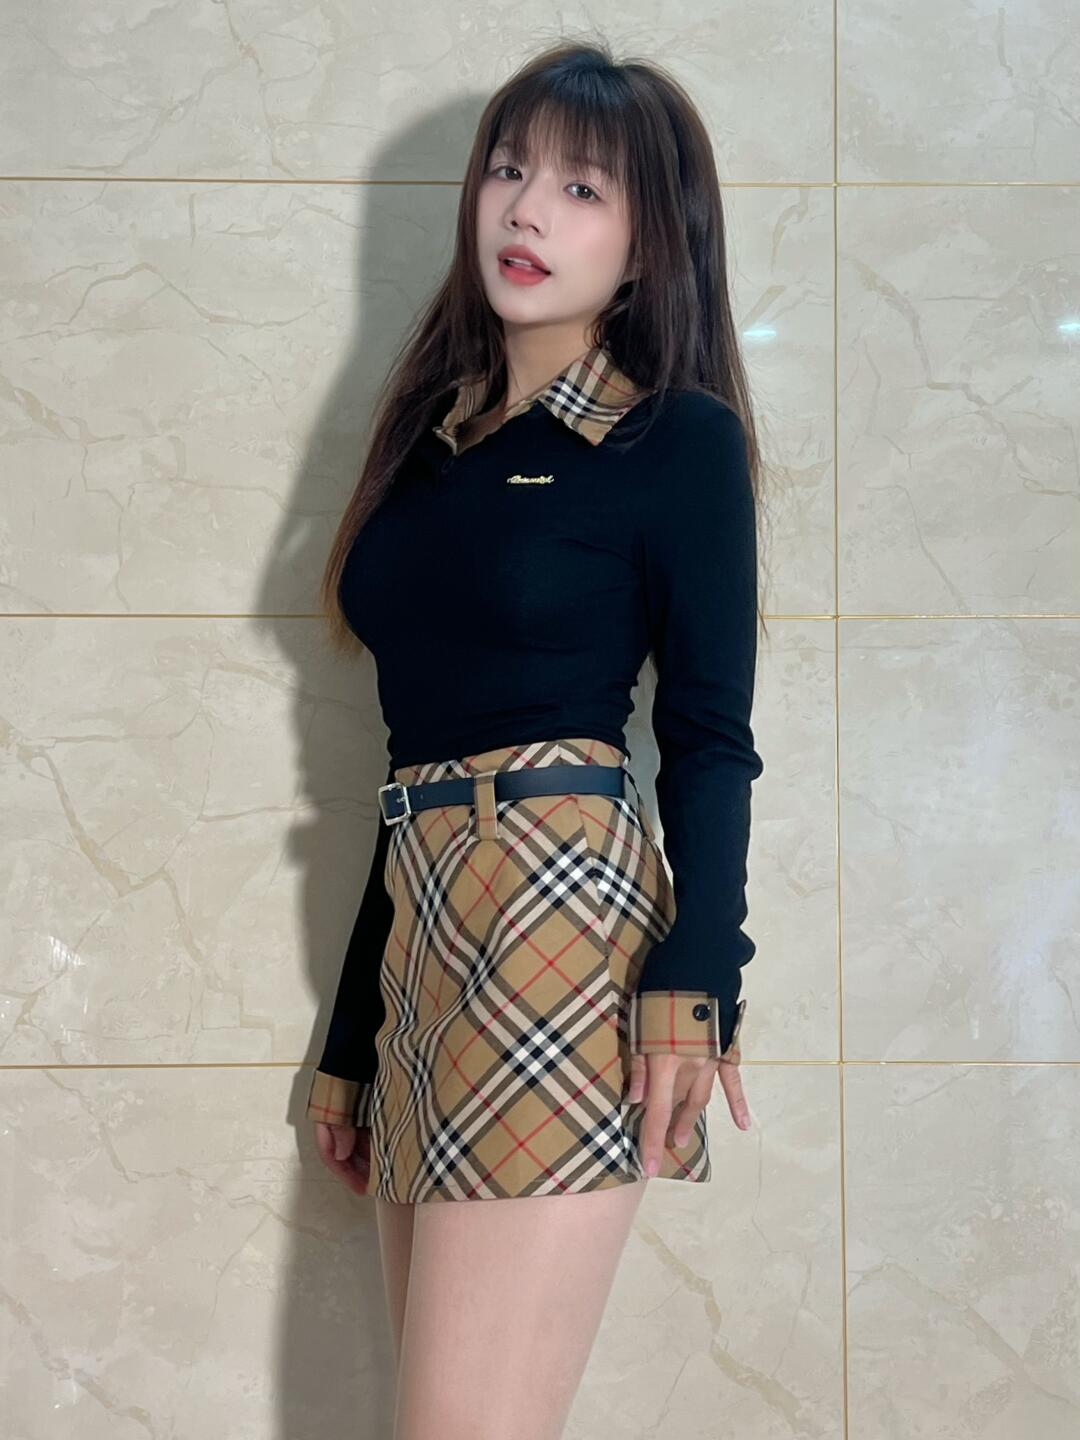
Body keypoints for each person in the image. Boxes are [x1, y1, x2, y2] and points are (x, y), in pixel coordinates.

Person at [305, 36, 768, 1440]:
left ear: (648, 243)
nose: (524, 210)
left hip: (562, 917)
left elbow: (708, 731)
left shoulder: (671, 441)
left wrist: (704, 972)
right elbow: (414, 762)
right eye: (509, 171)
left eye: (580, 188)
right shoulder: (429, 450)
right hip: (425, 930)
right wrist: (354, 1033)